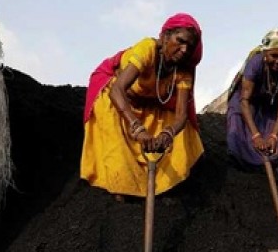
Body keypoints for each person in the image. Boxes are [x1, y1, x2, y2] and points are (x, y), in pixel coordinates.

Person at [80, 13, 204, 197]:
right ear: (164, 37)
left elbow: (181, 115)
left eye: (190, 46)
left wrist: (167, 134)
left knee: (182, 132)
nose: (184, 50)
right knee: (107, 108)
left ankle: (161, 184)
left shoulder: (184, 70)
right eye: (180, 41)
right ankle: (120, 184)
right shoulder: (147, 48)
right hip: (121, 102)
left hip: (150, 105)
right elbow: (117, 90)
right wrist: (137, 128)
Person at [226, 28, 278, 180]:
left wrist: (273, 136)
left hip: (269, 104)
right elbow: (244, 101)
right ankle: (244, 165)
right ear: (265, 53)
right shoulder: (255, 64)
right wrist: (256, 136)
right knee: (237, 124)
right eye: (274, 56)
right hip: (246, 101)